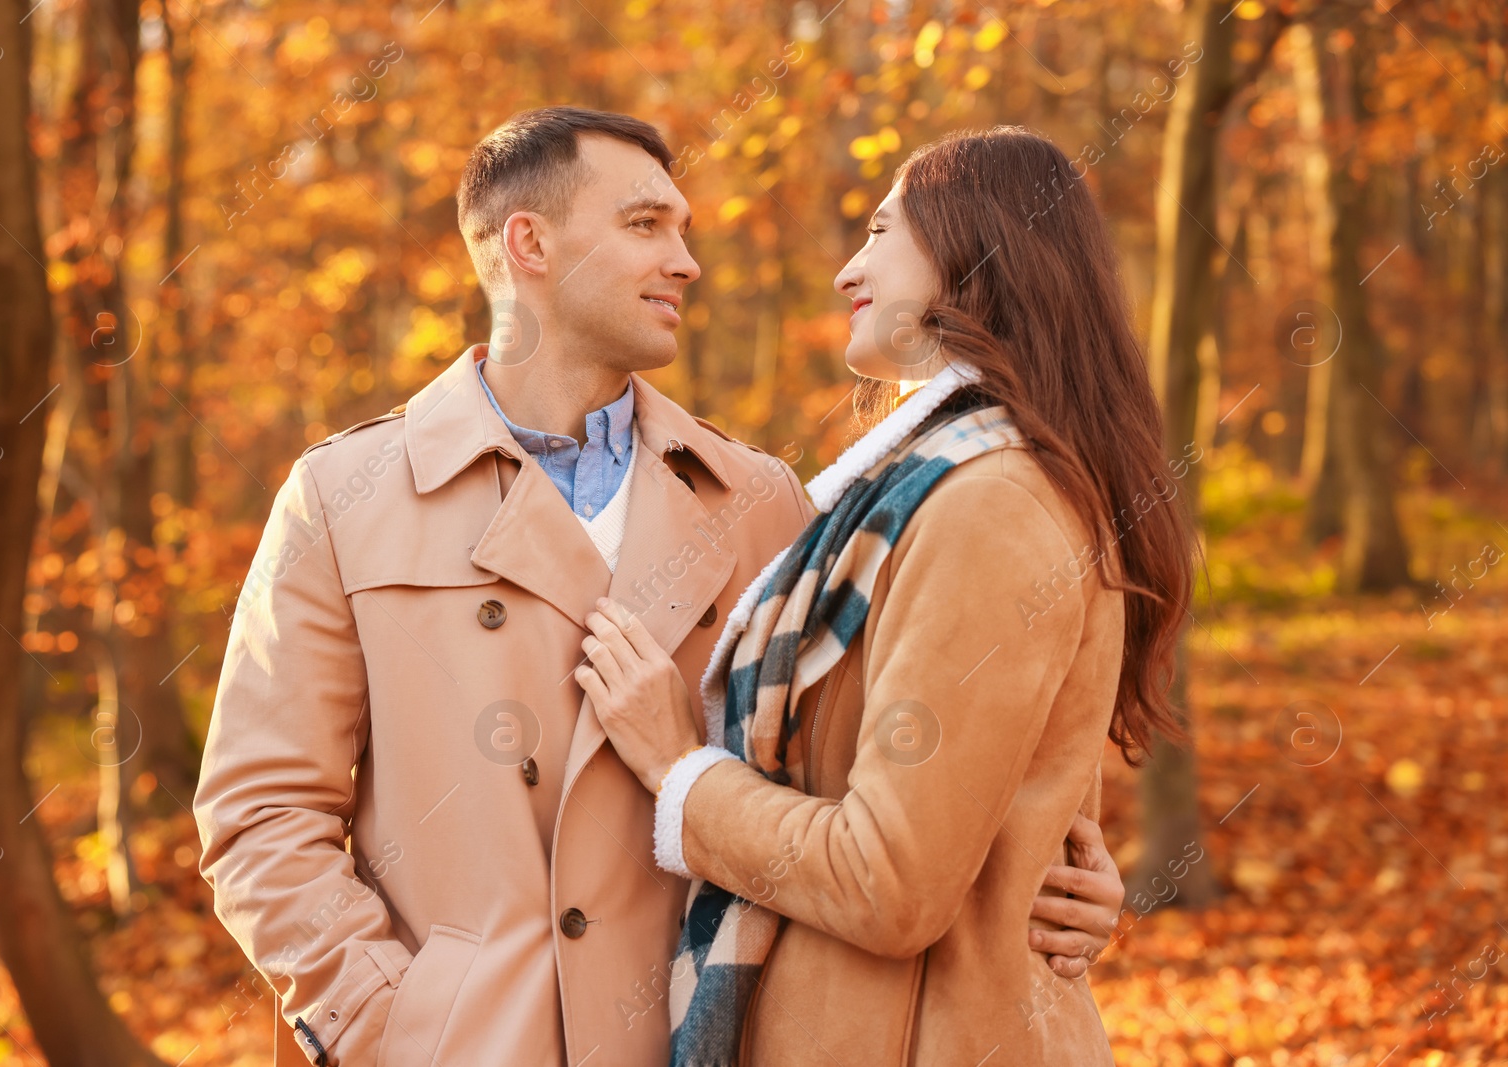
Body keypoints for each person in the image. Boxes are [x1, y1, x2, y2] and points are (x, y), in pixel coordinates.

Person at [194, 109, 1124, 1067]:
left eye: (685, 229)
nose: (687, 260)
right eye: (647, 225)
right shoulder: (343, 496)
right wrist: (391, 1024)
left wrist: (1041, 873)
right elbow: (261, 816)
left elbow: (890, 781)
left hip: (708, 1041)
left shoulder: (763, 500)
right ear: (530, 243)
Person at [577, 126, 1194, 1066]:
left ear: (971, 248)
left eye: (879, 229)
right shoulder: (929, 493)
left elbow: (890, 881)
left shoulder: (989, 503)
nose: (846, 270)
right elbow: (1010, 811)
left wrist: (680, 770)